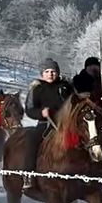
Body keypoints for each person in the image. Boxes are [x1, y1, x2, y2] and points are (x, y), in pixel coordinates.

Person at [23, 59, 74, 189]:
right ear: (42, 73)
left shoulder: (65, 86)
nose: (50, 74)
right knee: (31, 141)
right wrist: (41, 113)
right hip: (45, 124)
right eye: (47, 71)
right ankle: (29, 174)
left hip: (66, 124)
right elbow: (29, 109)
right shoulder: (36, 88)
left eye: (53, 71)